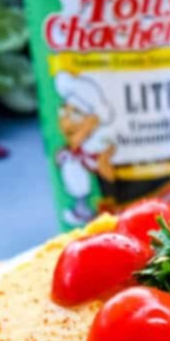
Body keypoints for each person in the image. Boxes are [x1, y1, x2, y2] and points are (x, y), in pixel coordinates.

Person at [54, 72, 117, 226]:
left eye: (75, 114)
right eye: (64, 112)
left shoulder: (96, 149)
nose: (66, 123)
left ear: (94, 121)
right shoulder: (69, 152)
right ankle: (81, 209)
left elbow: (106, 173)